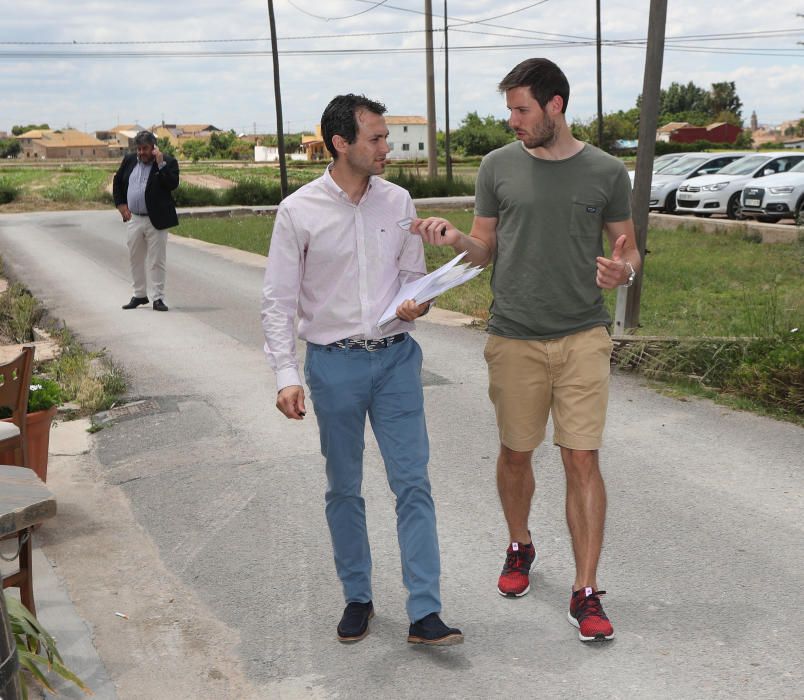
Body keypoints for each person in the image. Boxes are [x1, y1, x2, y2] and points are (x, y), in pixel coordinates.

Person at [412, 58, 641, 643]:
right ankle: (520, 544)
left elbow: (629, 252)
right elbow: (484, 246)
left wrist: (623, 272)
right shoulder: (496, 167)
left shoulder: (608, 170)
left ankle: (586, 590)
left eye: (522, 109)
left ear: (555, 106)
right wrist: (457, 238)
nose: (512, 120)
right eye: (509, 109)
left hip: (584, 335)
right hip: (513, 334)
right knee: (516, 453)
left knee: (581, 458)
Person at [261, 94, 463, 646]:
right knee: (344, 488)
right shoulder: (298, 210)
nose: (386, 147)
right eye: (375, 138)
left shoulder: (398, 200)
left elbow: (410, 276)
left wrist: (415, 303)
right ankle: (358, 596)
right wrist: (286, 374)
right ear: (340, 143)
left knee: (413, 483)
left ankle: (425, 611)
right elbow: (278, 301)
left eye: (385, 137)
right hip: (333, 366)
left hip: (396, 358)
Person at [112, 130, 180, 312]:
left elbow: (172, 184)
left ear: (154, 148)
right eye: (139, 149)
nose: (141, 152)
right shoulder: (129, 161)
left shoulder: (168, 162)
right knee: (135, 258)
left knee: (157, 260)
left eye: (145, 149)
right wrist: (120, 204)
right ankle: (139, 295)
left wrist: (161, 164)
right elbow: (117, 181)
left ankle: (158, 298)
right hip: (134, 218)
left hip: (155, 220)